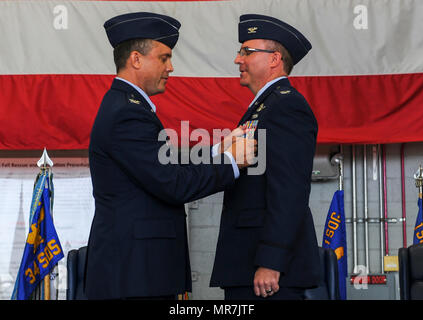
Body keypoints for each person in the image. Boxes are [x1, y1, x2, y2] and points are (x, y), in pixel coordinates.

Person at [84, 12, 256, 300]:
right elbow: (172, 183)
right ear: (136, 59)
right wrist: (231, 163)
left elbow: (162, 164)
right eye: (163, 58)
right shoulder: (127, 113)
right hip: (134, 274)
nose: (171, 67)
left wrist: (218, 151)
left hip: (138, 271)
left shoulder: (128, 107)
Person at [210, 14, 321, 300]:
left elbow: (290, 189)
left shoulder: (286, 106)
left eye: (247, 51)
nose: (238, 59)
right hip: (247, 260)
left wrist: (272, 260)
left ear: (274, 59)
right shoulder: (265, 106)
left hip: (268, 270)